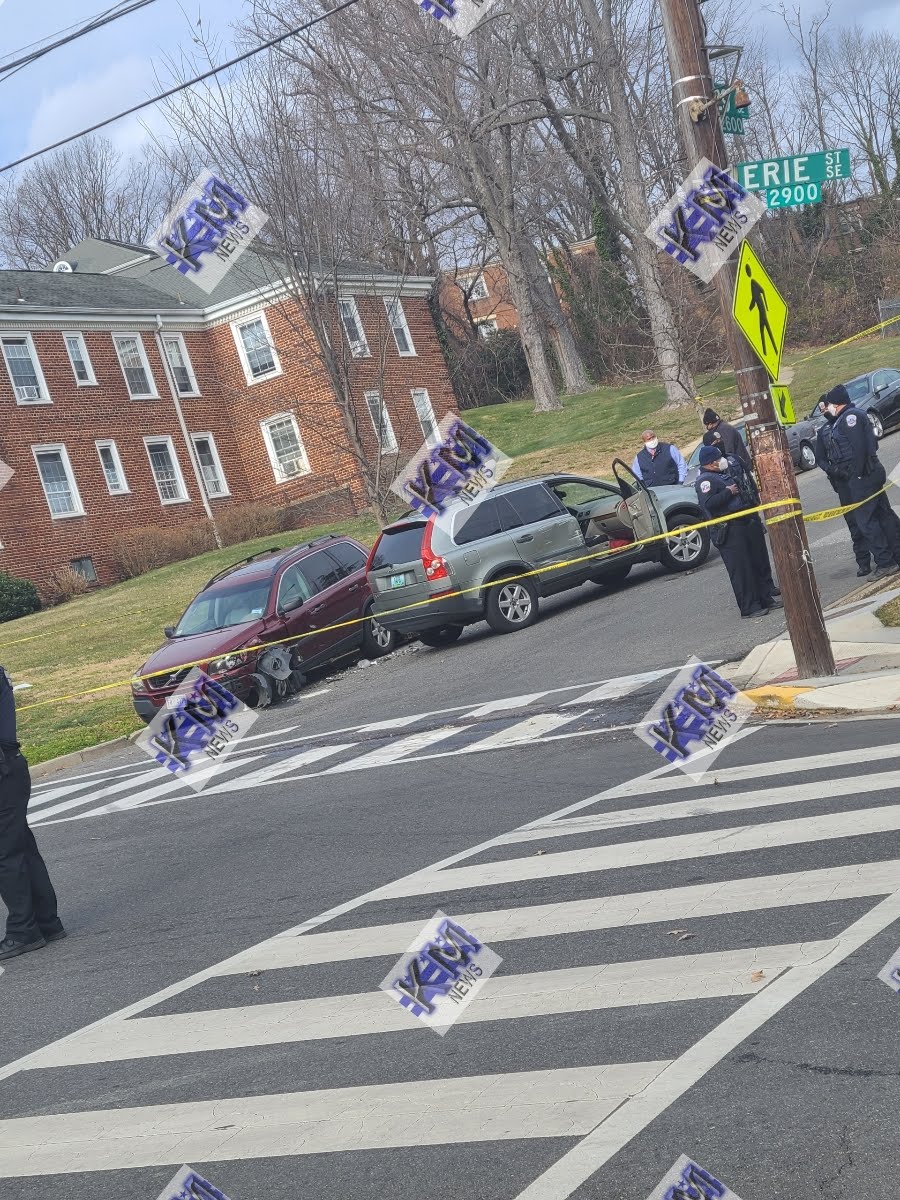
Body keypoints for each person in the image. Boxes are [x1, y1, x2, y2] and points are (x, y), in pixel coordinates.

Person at [0, 665, 65, 960]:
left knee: (7, 855)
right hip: (10, 767)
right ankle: (47, 922)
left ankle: (23, 931)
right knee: (21, 848)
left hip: (3, 771)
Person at [694, 445, 783, 619]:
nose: (722, 461)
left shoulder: (720, 475)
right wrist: (728, 492)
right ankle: (749, 607)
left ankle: (765, 599)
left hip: (743, 524)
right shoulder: (705, 481)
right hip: (728, 529)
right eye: (719, 459)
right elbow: (709, 504)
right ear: (711, 463)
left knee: (755, 563)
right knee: (741, 570)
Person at [823, 383, 900, 582]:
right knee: (883, 514)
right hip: (868, 473)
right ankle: (895, 555)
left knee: (866, 521)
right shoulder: (846, 417)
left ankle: (885, 562)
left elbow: (860, 448)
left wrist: (856, 475)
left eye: (830, 403)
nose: (828, 407)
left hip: (864, 475)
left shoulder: (850, 417)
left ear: (837, 403)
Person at [814, 395, 873, 577]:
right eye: (822, 410)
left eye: (826, 408)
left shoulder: (847, 422)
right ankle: (863, 562)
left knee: (870, 518)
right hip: (842, 482)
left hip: (859, 475)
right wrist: (833, 470)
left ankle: (883, 555)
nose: (825, 412)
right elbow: (820, 459)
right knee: (854, 524)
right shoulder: (823, 431)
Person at [702, 430, 760, 506]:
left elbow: (748, 477)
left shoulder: (733, 457)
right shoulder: (709, 470)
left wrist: (756, 497)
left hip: (749, 504)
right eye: (716, 441)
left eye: (721, 439)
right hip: (732, 509)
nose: (720, 442)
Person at [702, 408, 752, 472]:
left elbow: (729, 450)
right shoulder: (723, 428)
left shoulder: (724, 430)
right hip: (738, 466)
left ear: (710, 424)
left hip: (740, 467)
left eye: (706, 425)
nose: (707, 428)